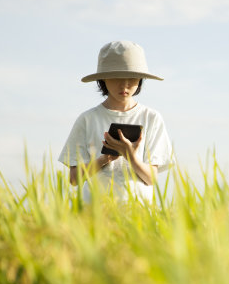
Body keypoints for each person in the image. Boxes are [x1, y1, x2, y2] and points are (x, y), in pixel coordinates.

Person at [58, 41, 173, 203]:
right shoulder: (87, 119)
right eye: (116, 77)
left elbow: (151, 179)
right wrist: (105, 159)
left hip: (139, 215)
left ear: (140, 79)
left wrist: (131, 157)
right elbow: (74, 179)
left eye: (131, 78)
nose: (124, 85)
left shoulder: (151, 118)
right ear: (103, 79)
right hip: (94, 214)